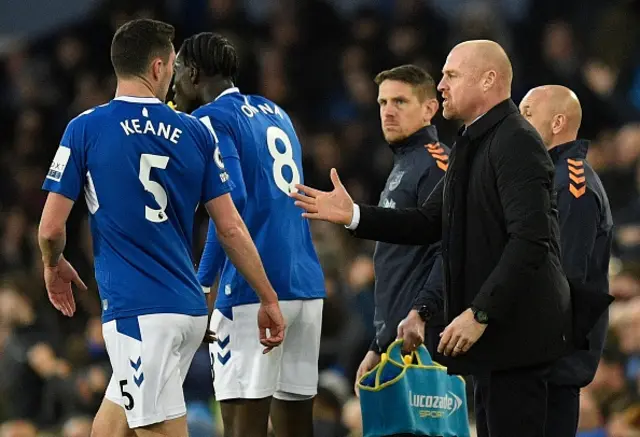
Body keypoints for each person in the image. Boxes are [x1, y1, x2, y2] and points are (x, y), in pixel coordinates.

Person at [291, 39, 586, 437]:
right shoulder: (469, 144)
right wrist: (354, 216)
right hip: (496, 342)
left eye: (451, 75)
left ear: (488, 80)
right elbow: (429, 223)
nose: (442, 85)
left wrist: (479, 312)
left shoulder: (517, 141)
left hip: (522, 338)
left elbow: (531, 240)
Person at [37, 19, 285, 437]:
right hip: (187, 311)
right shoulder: (196, 133)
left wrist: (52, 263)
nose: (173, 73)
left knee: (151, 429)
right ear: (156, 67)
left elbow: (49, 229)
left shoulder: (86, 127)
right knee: (112, 427)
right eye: (171, 63)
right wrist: (268, 296)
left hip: (138, 314)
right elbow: (231, 228)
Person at [171, 32, 326, 437]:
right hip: (305, 283)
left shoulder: (208, 119)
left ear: (192, 71)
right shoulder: (276, 112)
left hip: (252, 292)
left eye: (176, 72)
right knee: (297, 428)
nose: (174, 84)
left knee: (243, 427)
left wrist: (204, 280)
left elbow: (232, 202)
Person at [519, 85, 613, 437]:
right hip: (538, 356)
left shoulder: (573, 185)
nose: (518, 122)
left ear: (557, 122)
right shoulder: (546, 178)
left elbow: (564, 276)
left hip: (552, 362)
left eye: (527, 114)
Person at [352, 64, 449, 393]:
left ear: (429, 109)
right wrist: (378, 344)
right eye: (382, 103)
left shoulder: (436, 165)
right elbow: (397, 264)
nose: (388, 112)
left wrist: (422, 313)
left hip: (424, 335)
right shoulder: (405, 164)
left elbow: (446, 251)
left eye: (400, 102)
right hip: (398, 339)